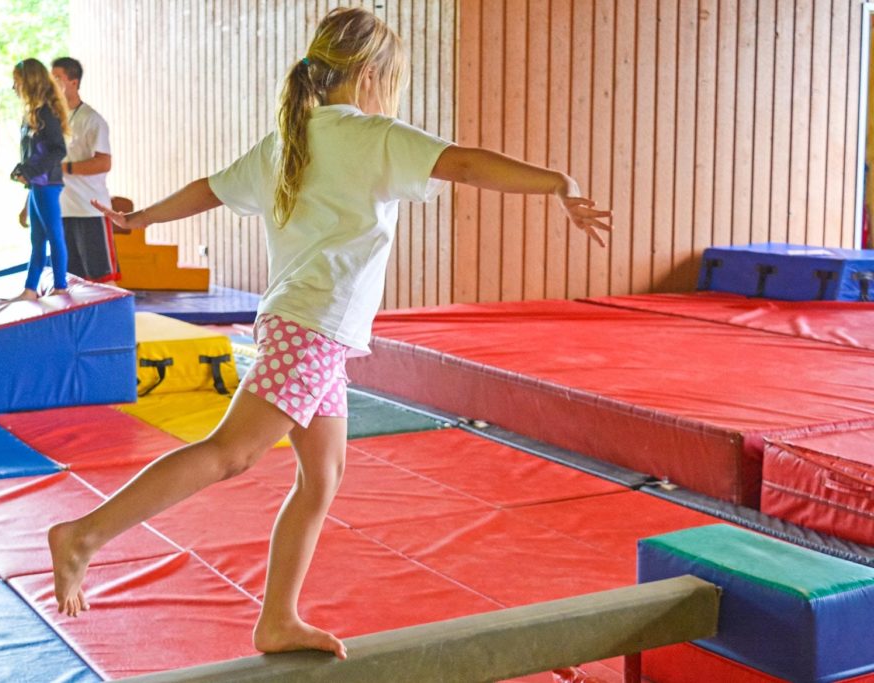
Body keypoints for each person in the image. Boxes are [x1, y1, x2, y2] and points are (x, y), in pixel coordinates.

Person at [48, 7, 612, 660]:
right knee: (232, 452)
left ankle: (277, 618)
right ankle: (85, 535)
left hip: (311, 327)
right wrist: (556, 182)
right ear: (372, 74)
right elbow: (465, 165)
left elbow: (213, 188)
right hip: (311, 325)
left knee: (323, 476)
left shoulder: (292, 135)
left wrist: (142, 218)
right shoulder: (371, 136)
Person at [51, 57, 120, 283]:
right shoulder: (52, 120)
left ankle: (113, 319)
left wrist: (64, 168)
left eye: (58, 78)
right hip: (61, 210)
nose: (52, 83)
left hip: (89, 210)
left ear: (73, 81)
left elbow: (103, 163)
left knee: (102, 278)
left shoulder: (92, 119)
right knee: (70, 279)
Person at [11, 58, 70, 301]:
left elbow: (58, 149)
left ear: (28, 83)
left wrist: (33, 172)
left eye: (16, 82)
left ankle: (60, 285)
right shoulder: (33, 114)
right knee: (37, 238)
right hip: (37, 184)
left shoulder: (46, 113)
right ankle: (30, 289)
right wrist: (24, 173)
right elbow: (34, 153)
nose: (14, 87)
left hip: (47, 184)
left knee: (54, 235)